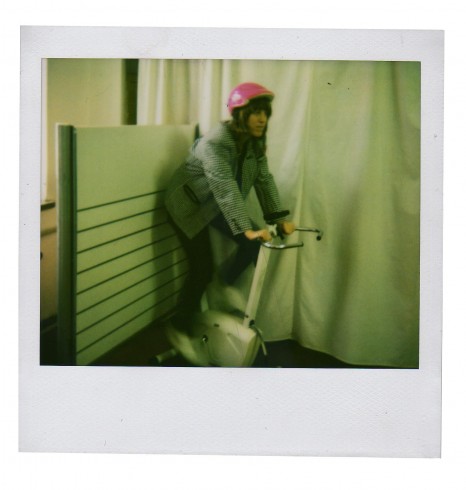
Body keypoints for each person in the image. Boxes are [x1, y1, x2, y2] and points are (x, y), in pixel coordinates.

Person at [165, 82, 295, 328]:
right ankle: (179, 325)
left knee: (254, 245)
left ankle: (222, 285)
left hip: (214, 203)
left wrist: (278, 218)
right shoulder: (215, 143)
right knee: (202, 269)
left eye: (265, 113)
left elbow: (264, 180)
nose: (262, 119)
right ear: (240, 114)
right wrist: (245, 229)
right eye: (256, 112)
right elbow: (224, 186)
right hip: (186, 206)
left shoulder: (254, 144)